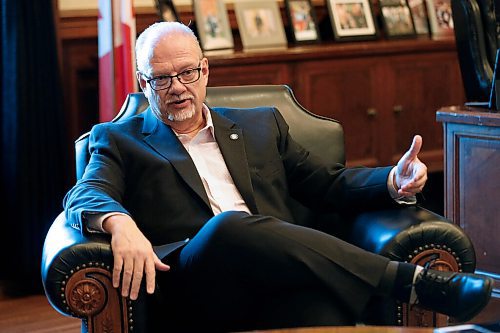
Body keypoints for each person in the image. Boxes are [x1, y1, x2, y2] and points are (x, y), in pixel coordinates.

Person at [64, 22, 492, 332]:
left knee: (324, 311)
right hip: (195, 284)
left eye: (187, 72)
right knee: (228, 227)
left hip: (278, 274)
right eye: (162, 78)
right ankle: (411, 283)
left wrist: (391, 183)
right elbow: (85, 193)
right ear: (144, 82)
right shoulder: (120, 139)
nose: (178, 86)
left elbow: (328, 184)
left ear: (206, 70)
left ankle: (402, 286)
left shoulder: (261, 126)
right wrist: (118, 224)